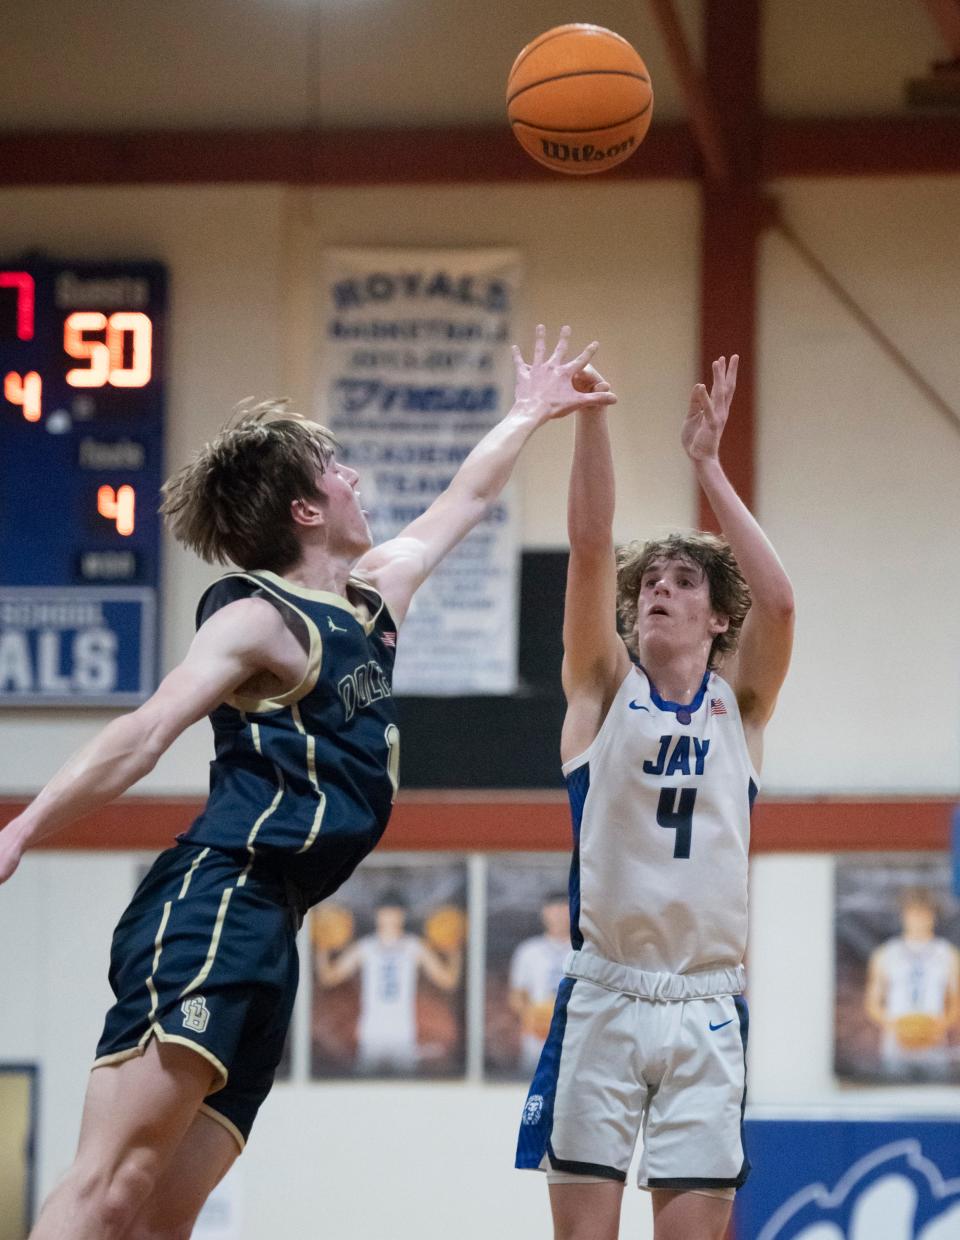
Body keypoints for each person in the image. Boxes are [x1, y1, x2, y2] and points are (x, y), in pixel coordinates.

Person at [0, 324, 615, 1240]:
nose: (355, 479)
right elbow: (146, 730)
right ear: (303, 510)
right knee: (113, 1188)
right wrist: (20, 829)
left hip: (276, 925)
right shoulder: (256, 620)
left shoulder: (373, 596)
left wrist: (529, 411)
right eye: (336, 469)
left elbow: (469, 497)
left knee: (168, 1214)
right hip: (217, 898)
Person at [515, 355, 795, 1240]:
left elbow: (781, 604)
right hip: (608, 997)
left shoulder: (738, 708)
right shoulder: (603, 692)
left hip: (709, 1002)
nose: (658, 592)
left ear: (719, 619)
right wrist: (594, 420)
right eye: (651, 586)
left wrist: (709, 469)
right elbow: (594, 551)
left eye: (682, 582)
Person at [315, 889, 462, 1073]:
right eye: (386, 912)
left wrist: (454, 950)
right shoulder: (366, 947)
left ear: (403, 915)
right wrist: (322, 948)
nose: (390, 917)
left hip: (403, 1035)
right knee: (366, 1091)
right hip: (372, 1034)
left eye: (395, 912)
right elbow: (329, 977)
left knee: (403, 1093)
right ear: (378, 914)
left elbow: (448, 980)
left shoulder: (413, 946)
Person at [864, 886, 960, 1079]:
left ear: (933, 916)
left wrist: (935, 1027)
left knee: (935, 1102)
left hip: (934, 1048)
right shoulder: (885, 954)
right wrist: (898, 1026)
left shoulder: (948, 954)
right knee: (894, 1100)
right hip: (896, 1048)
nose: (919, 919)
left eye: (924, 914)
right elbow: (872, 1003)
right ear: (904, 916)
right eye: (913, 913)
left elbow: (956, 1001)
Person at [508, 891, 570, 1073]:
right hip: (537, 1042)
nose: (559, 914)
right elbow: (516, 996)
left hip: (575, 1039)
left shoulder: (585, 950)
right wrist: (532, 1015)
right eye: (554, 908)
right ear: (544, 913)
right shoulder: (528, 950)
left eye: (564, 908)